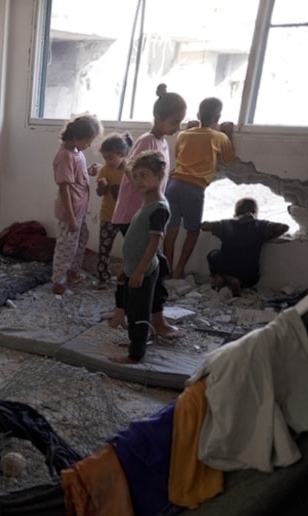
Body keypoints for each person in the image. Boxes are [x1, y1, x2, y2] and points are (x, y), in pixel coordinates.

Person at [108, 83, 187, 339]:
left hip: (145, 213)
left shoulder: (161, 142)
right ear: (158, 118)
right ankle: (155, 321)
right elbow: (131, 171)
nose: (177, 127)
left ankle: (121, 315)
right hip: (135, 215)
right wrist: (148, 201)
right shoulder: (146, 141)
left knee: (137, 267)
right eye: (174, 122)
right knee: (154, 269)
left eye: (180, 122)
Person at [164, 96, 236, 279]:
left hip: (173, 185)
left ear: (197, 114)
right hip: (194, 188)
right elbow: (228, 160)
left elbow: (177, 155)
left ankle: (167, 270)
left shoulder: (183, 134)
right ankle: (179, 270)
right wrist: (228, 135)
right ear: (217, 118)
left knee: (171, 231)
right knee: (193, 230)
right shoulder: (218, 137)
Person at [112, 150, 170, 365]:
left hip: (143, 271)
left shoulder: (159, 208)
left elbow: (153, 244)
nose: (138, 181)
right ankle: (136, 342)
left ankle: (136, 354)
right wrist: (126, 267)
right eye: (136, 176)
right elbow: (137, 240)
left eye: (144, 175)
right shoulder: (147, 203)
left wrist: (138, 270)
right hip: (134, 268)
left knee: (138, 311)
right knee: (131, 307)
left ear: (159, 176)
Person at [51, 113, 102, 295]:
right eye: (87, 141)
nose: (88, 145)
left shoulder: (77, 153)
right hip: (70, 211)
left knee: (81, 239)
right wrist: (71, 218)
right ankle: (58, 282)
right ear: (75, 137)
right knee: (66, 246)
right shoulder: (65, 156)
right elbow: (65, 188)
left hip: (79, 209)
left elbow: (76, 176)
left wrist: (89, 172)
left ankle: (72, 272)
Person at [201, 197, 289, 296]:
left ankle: (219, 277)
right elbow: (284, 227)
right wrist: (266, 237)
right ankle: (238, 282)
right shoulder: (261, 226)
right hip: (249, 272)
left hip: (226, 266)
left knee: (213, 255)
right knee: (252, 278)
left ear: (236, 211)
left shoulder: (225, 224)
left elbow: (205, 226)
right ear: (255, 211)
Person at [92, 133, 132, 289]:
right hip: (108, 216)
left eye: (110, 158)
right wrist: (102, 186)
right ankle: (103, 278)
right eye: (105, 158)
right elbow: (99, 193)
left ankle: (128, 275)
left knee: (130, 248)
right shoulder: (105, 170)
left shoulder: (129, 171)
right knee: (104, 249)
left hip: (127, 217)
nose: (107, 162)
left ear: (121, 155)